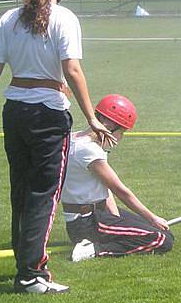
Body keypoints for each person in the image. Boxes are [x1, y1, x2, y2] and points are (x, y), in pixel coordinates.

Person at [0, 0, 114, 294]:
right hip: (48, 114)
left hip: (14, 110)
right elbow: (72, 69)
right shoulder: (64, 18)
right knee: (43, 194)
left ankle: (24, 261)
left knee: (20, 190)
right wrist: (92, 117)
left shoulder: (9, 18)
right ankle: (32, 274)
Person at [61, 94, 174, 262]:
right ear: (110, 126)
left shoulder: (75, 138)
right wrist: (152, 217)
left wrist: (116, 218)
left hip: (95, 215)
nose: (121, 137)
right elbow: (121, 191)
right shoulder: (89, 151)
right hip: (88, 223)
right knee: (161, 239)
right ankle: (93, 249)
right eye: (122, 131)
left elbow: (104, 188)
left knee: (163, 233)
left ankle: (97, 242)